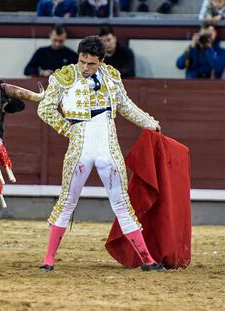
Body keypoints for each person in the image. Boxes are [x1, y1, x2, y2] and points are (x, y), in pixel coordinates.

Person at [37, 35, 164, 272]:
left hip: (107, 144)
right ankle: (48, 260)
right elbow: (44, 109)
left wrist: (149, 123)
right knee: (67, 201)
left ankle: (148, 260)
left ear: (102, 61)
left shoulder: (112, 76)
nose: (85, 67)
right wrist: (69, 130)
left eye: (91, 63)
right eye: (82, 61)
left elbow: (125, 106)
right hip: (80, 144)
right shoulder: (63, 77)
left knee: (122, 203)